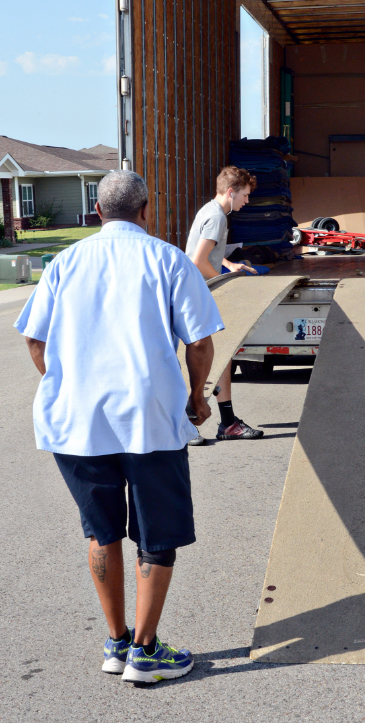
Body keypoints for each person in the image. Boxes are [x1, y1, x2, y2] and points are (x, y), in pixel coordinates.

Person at [14, 170, 224, 684]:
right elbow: (198, 342)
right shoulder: (169, 260)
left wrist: (69, 384)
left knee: (101, 530)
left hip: (79, 426)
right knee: (156, 535)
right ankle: (146, 653)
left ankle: (116, 642)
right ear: (146, 210)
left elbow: (35, 340)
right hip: (149, 422)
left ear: (98, 213)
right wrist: (197, 398)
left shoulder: (65, 262)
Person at [186, 165, 264, 443]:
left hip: (198, 293)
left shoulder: (210, 211)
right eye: (244, 195)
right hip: (198, 294)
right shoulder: (217, 217)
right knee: (206, 358)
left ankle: (227, 422)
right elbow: (198, 262)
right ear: (231, 192)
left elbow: (207, 253)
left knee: (222, 356)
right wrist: (225, 278)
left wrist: (231, 264)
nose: (246, 201)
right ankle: (186, 423)